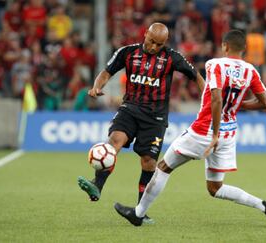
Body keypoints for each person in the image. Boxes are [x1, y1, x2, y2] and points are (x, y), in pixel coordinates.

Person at [114, 30, 266, 228]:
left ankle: (138, 214)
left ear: (224, 46)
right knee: (215, 188)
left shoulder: (215, 64)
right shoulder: (251, 71)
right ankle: (264, 206)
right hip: (229, 133)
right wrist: (236, 105)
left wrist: (213, 133)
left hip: (205, 130)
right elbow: (264, 103)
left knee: (163, 168)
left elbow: (216, 97)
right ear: (244, 48)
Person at [77, 23, 205, 224]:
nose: (154, 47)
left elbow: (196, 77)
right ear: (145, 34)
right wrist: (96, 87)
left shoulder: (172, 58)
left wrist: (206, 101)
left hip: (155, 118)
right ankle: (97, 186)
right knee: (114, 142)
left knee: (149, 163)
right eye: (152, 41)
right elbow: (106, 72)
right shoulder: (128, 53)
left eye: (159, 44)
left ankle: (139, 212)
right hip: (130, 109)